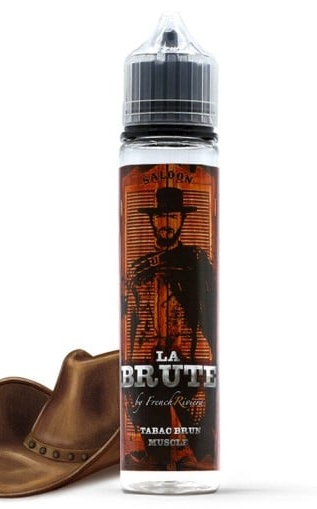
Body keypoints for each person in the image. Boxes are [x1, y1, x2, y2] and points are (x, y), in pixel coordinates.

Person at [123, 186, 217, 469]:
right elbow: (132, 322)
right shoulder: (138, 269)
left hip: (189, 363)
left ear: (182, 220)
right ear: (152, 220)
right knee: (154, 458)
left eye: (173, 216)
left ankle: (192, 459)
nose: (166, 223)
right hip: (146, 368)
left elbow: (210, 313)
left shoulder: (196, 261)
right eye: (161, 216)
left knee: (202, 450)